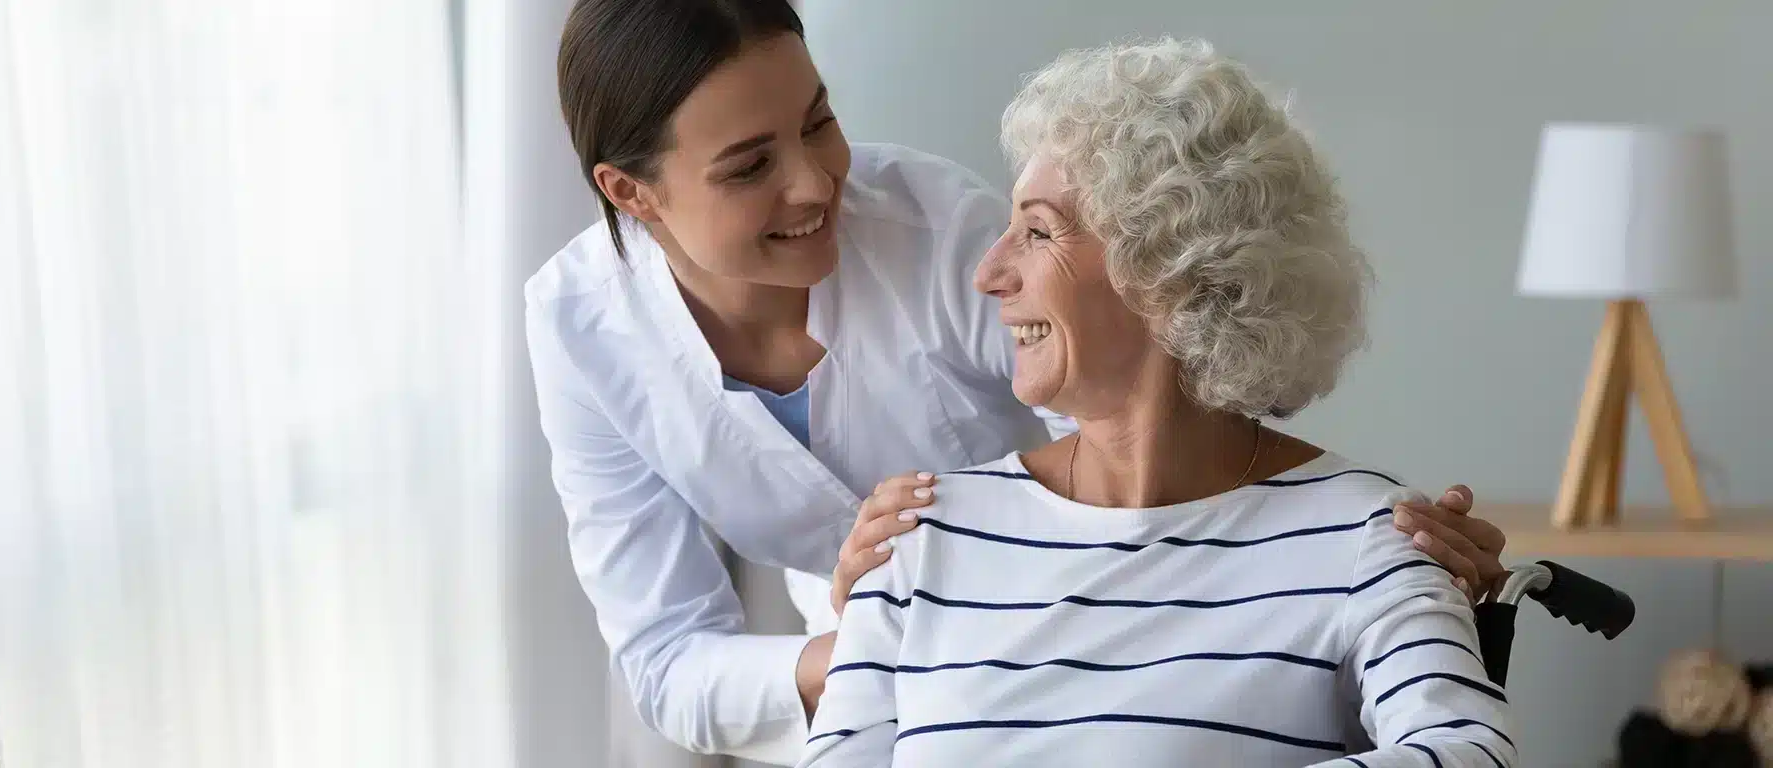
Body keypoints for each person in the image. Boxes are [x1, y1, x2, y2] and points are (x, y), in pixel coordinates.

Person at [527, 1, 1508, 763]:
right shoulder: (581, 328)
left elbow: (1132, 451)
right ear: (632, 191)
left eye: (819, 122)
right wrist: (891, 636)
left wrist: (1366, 545)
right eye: (748, 166)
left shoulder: (1359, 541)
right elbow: (668, 659)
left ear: (1170, 272)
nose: (819, 184)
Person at [797, 38, 1516, 768]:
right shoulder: (922, 535)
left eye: (1037, 232)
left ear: (1170, 268)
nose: (989, 273)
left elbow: (1468, 752)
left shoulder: (1363, 538)